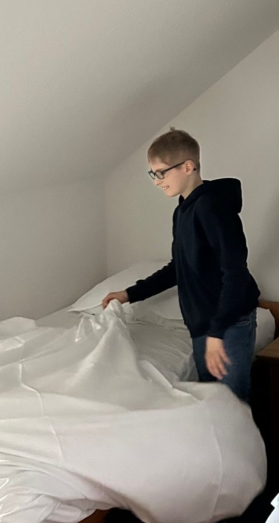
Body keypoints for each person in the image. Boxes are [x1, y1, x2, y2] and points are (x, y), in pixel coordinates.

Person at [102, 128, 260, 402]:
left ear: (187, 167)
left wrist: (217, 333)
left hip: (229, 323)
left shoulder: (213, 207)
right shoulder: (183, 210)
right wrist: (129, 294)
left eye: (161, 173)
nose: (156, 182)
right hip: (203, 324)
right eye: (153, 174)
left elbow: (235, 273)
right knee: (212, 403)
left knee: (232, 404)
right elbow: (179, 267)